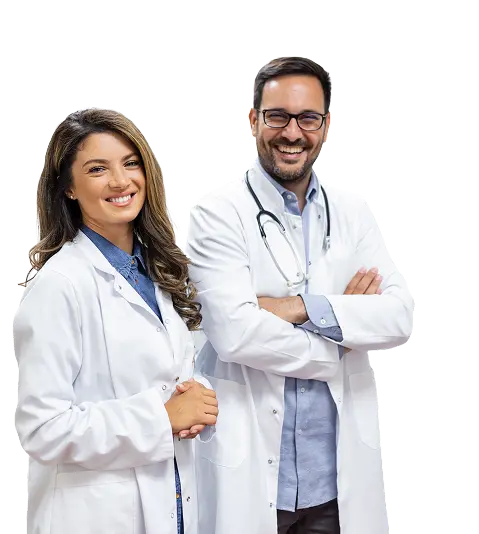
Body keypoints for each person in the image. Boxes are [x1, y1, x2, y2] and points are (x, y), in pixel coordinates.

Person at [185, 57, 414, 534]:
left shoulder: (355, 211)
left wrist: (300, 307)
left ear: (326, 126)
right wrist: (343, 337)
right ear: (253, 120)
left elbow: (402, 315)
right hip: (253, 475)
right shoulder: (217, 212)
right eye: (278, 116)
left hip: (335, 479)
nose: (293, 133)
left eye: (308, 118)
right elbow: (236, 335)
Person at [14, 107, 218, 534]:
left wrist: (195, 395)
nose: (121, 181)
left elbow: (155, 375)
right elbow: (42, 429)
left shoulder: (154, 269)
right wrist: (162, 417)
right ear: (69, 188)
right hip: (95, 516)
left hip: (172, 501)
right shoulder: (60, 284)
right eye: (97, 169)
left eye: (130, 163)